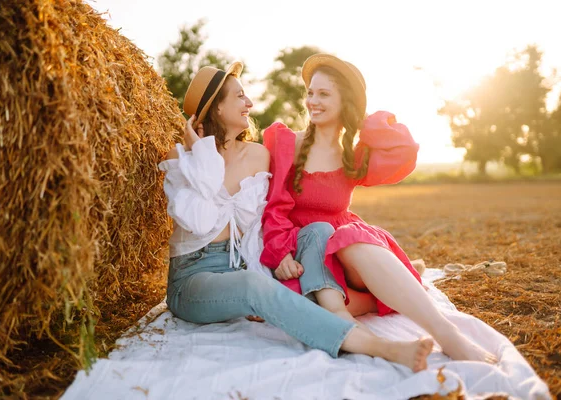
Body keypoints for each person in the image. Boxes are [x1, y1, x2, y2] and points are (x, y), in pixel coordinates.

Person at [158, 62, 434, 372]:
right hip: (193, 277)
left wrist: (275, 262)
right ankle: (377, 346)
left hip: (242, 262)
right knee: (252, 287)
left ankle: (349, 302)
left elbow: (263, 220)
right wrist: (204, 154)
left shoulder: (258, 154)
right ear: (217, 108)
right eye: (239, 96)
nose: (249, 103)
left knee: (317, 229)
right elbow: (201, 220)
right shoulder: (182, 158)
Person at [260, 54, 497, 363]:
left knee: (347, 236)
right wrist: (281, 254)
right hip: (307, 253)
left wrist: (362, 120)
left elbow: (404, 151)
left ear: (346, 101)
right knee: (304, 305)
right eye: (310, 92)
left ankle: (448, 335)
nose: (312, 101)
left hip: (348, 253)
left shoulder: (355, 156)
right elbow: (275, 208)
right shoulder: (287, 142)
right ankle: (378, 294)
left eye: (324, 94)